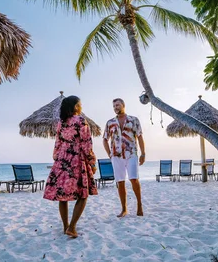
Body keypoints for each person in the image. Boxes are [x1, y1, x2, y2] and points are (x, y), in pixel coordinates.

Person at [44, 95, 98, 238]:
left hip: (62, 159)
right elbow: (87, 145)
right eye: (80, 104)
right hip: (77, 159)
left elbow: (57, 144)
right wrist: (92, 162)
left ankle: (65, 227)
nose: (82, 107)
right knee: (83, 194)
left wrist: (57, 158)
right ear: (75, 106)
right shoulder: (81, 121)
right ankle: (72, 227)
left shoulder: (61, 123)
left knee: (62, 195)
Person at [103, 98, 145, 218]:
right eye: (114, 106)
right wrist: (109, 154)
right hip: (116, 156)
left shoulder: (133, 120)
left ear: (123, 105)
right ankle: (124, 209)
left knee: (134, 179)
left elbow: (140, 137)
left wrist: (143, 153)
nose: (115, 107)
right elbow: (105, 139)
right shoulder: (110, 122)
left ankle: (139, 205)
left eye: (117, 105)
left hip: (131, 153)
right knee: (120, 182)